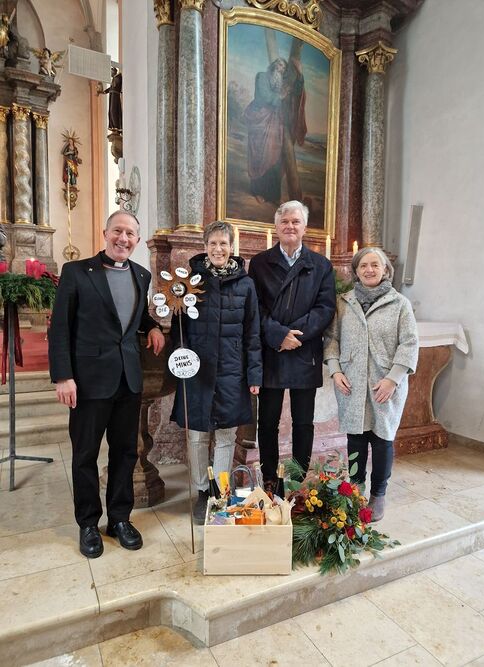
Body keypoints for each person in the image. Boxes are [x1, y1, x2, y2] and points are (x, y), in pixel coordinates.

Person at [48, 211, 165, 558]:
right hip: (88, 381)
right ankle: (88, 523)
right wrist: (63, 376)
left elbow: (134, 315)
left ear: (137, 240)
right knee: (85, 454)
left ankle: (119, 519)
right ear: (105, 233)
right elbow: (60, 327)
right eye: (118, 231)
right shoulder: (76, 272)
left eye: (130, 234)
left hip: (128, 379)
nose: (123, 239)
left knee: (126, 453)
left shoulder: (141, 275)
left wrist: (152, 327)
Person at [170, 221, 262, 523]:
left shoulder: (246, 285)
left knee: (225, 436)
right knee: (197, 435)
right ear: (205, 247)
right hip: (197, 370)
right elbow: (179, 327)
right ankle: (201, 491)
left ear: (232, 247)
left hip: (232, 372)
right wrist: (180, 357)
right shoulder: (190, 282)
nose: (218, 249)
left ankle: (219, 491)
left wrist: (254, 375)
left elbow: (252, 333)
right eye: (213, 243)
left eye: (224, 243)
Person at [323, 247, 418, 521]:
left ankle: (378, 494)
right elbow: (331, 339)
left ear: (385, 269)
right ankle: (355, 491)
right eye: (363, 265)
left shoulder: (399, 304)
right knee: (356, 439)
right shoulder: (344, 302)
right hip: (351, 382)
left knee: (382, 439)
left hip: (385, 384)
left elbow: (410, 343)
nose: (369, 270)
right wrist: (335, 371)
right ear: (356, 271)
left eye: (375, 265)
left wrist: (393, 379)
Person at [248, 200, 335, 489]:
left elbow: (325, 308)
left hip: (303, 352)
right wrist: (277, 335)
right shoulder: (260, 263)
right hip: (272, 352)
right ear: (276, 227)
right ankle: (270, 478)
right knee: (267, 422)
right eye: (284, 221)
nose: (290, 226)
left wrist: (294, 336)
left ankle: (297, 480)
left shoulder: (321, 265)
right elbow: (255, 308)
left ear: (305, 228)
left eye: (295, 221)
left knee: (303, 423)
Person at [245, 54, 306, 205]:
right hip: (260, 120)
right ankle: (258, 191)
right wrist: (280, 97)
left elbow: (296, 92)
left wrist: (300, 75)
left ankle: (273, 196)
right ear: (273, 65)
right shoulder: (262, 76)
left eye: (283, 67)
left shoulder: (282, 84)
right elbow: (263, 97)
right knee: (260, 155)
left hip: (275, 122)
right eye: (279, 65)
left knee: (275, 157)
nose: (280, 68)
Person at [98, 66, 123, 132]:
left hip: (115, 95)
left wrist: (114, 78)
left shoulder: (118, 77)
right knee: (110, 111)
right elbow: (111, 88)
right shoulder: (114, 78)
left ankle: (117, 126)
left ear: (114, 72)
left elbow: (116, 84)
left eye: (111, 72)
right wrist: (103, 92)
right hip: (112, 95)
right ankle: (113, 126)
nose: (110, 74)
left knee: (113, 110)